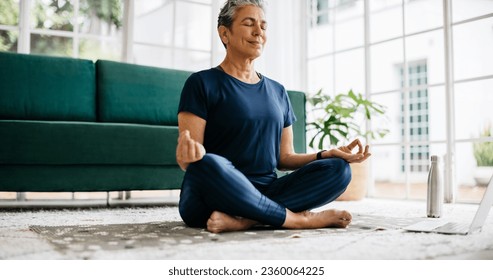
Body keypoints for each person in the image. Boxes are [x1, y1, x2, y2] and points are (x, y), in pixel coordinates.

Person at [176, 0, 371, 233]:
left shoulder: (278, 91)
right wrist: (186, 155)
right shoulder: (201, 83)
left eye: (264, 26)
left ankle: (245, 220)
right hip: (212, 196)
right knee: (208, 162)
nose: (259, 32)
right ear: (224, 33)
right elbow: (190, 160)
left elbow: (284, 158)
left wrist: (326, 154)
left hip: (266, 191)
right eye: (249, 24)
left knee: (339, 170)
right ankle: (299, 220)